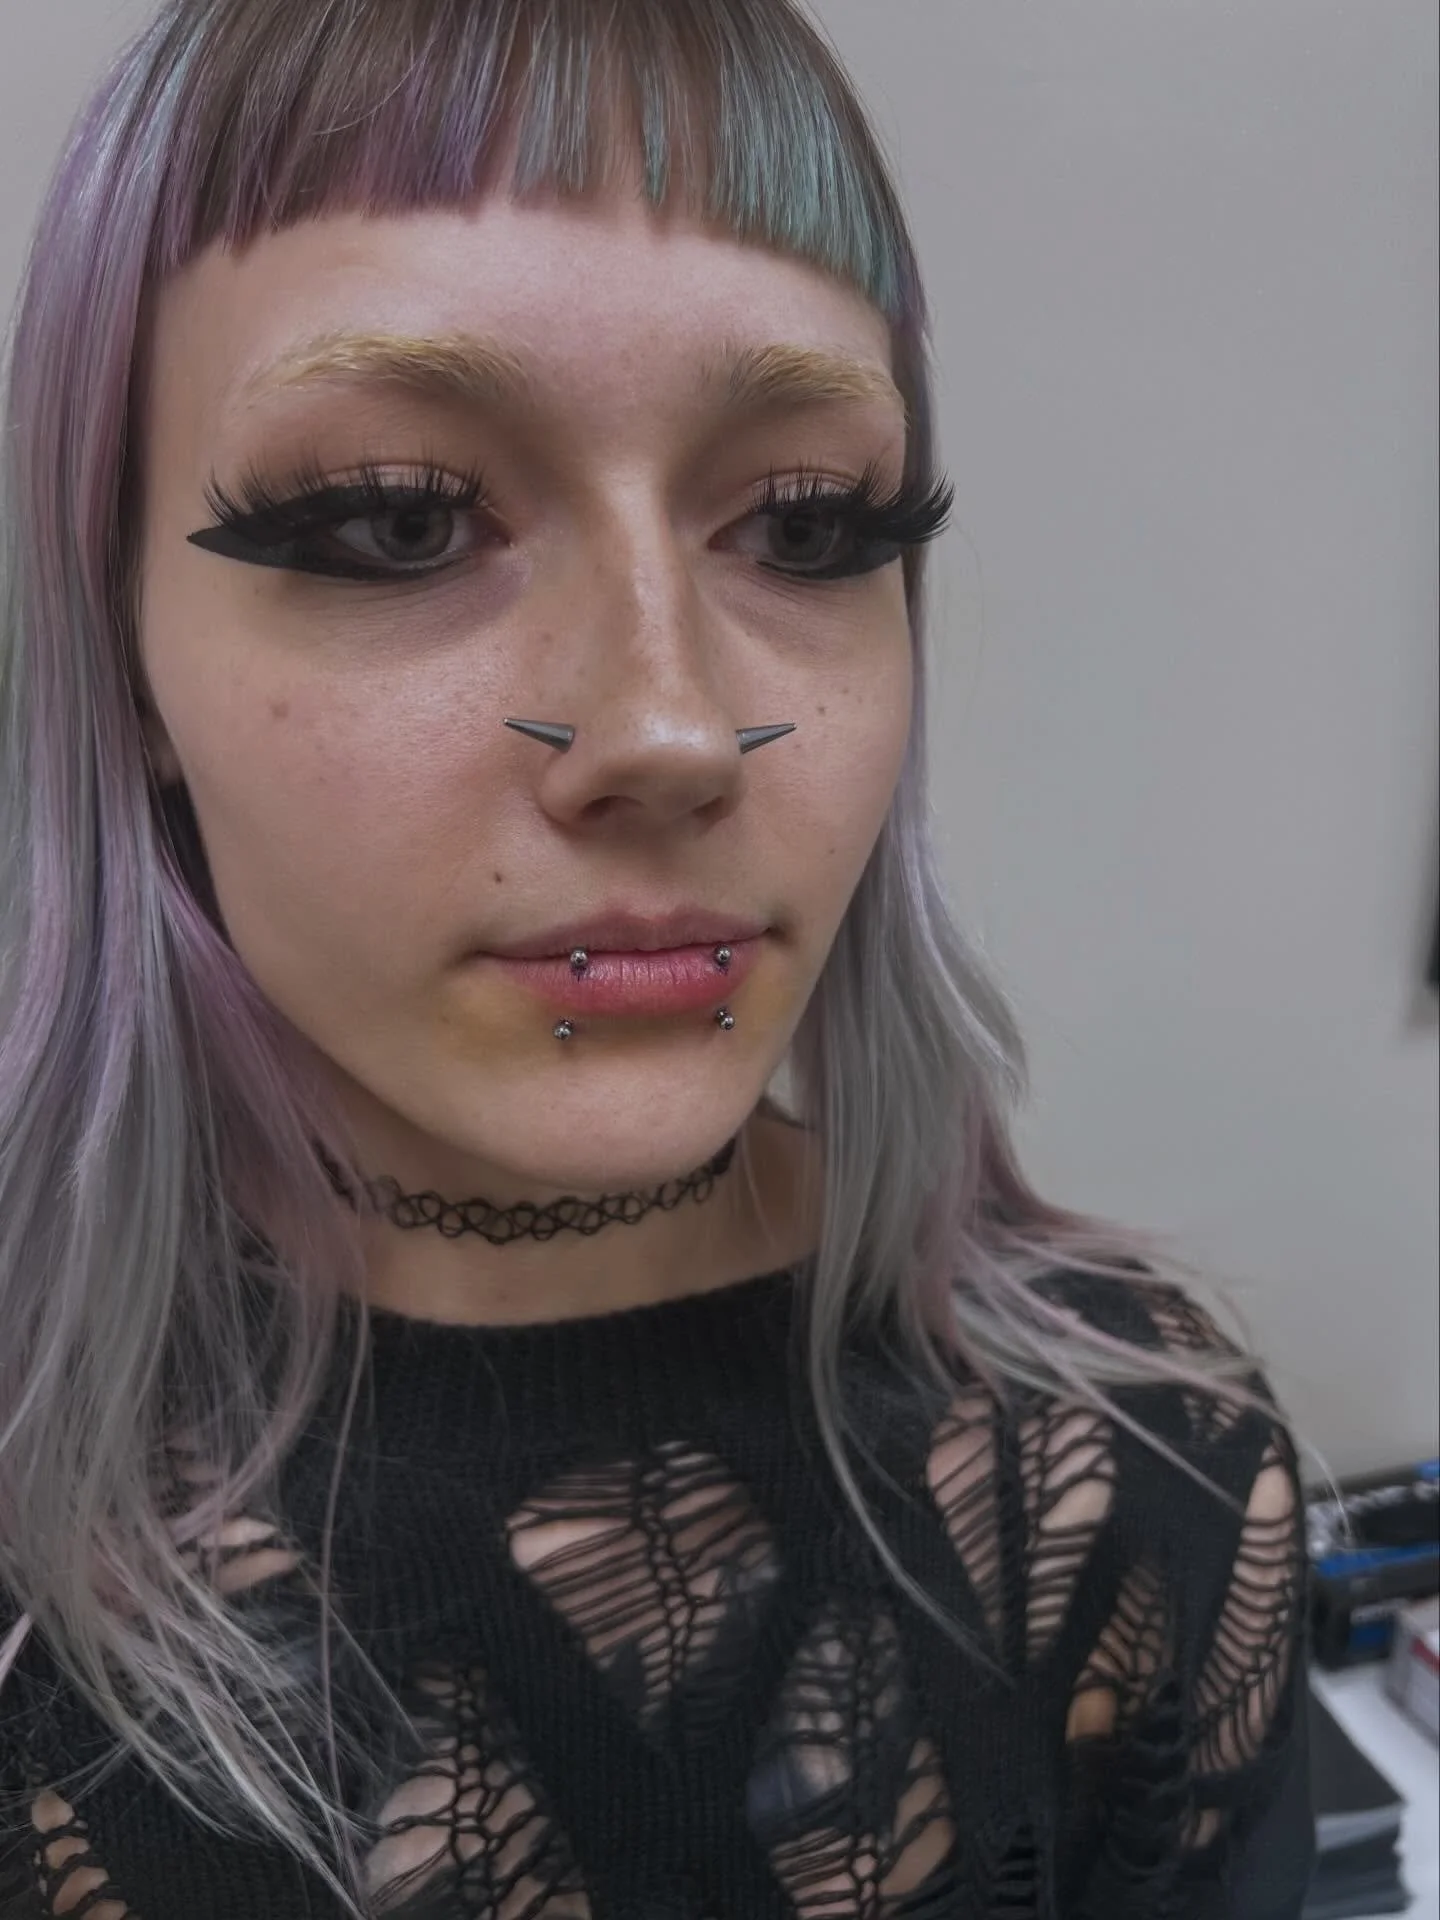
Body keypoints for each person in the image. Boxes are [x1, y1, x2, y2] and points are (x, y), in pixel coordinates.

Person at [0, 1, 1316, 1914]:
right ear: (123, 657)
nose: (674, 730)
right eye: (397, 517)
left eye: (809, 523)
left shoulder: (1142, 1466)